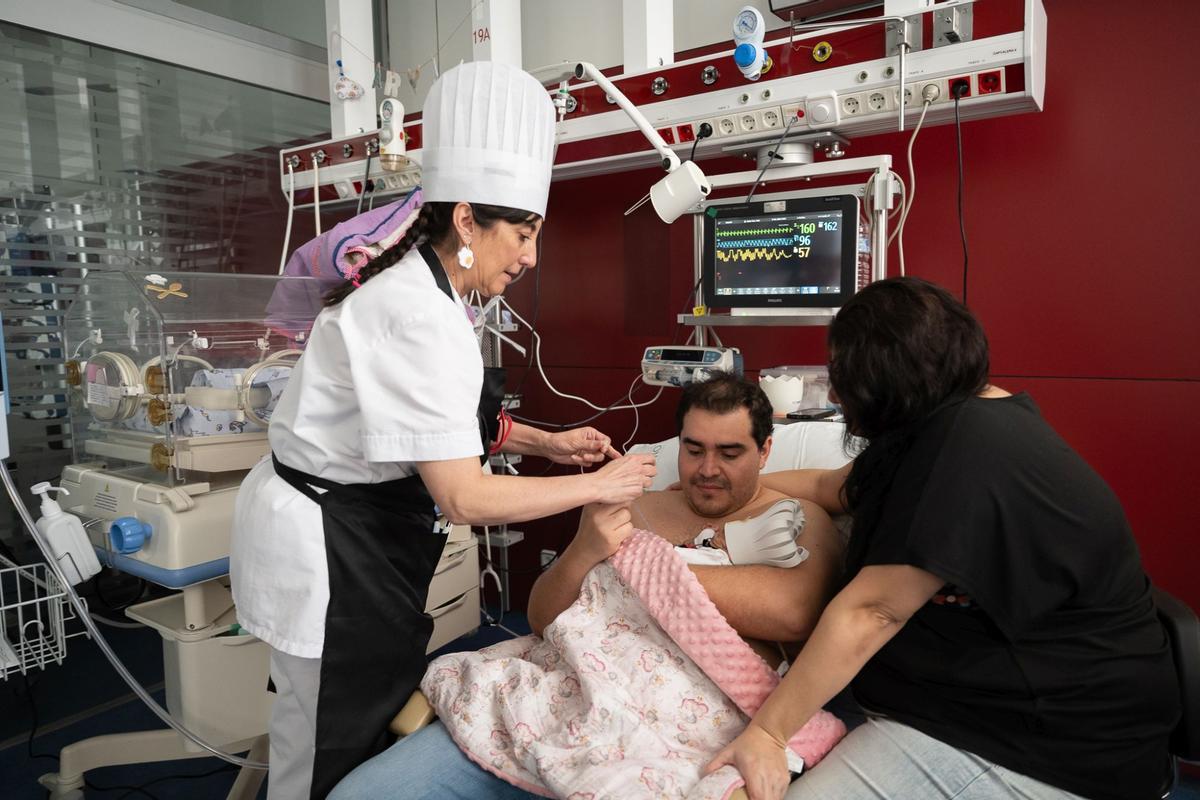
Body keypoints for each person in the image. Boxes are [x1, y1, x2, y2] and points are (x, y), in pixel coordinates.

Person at [230, 61, 656, 800]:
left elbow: (439, 426)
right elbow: (460, 495)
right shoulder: (416, 313)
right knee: (326, 744)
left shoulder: (436, 294)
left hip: (360, 535)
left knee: (354, 720)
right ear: (467, 220)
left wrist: (550, 445)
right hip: (331, 547)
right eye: (522, 233)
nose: (531, 256)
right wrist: (598, 484)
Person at [705, 277, 1181, 800]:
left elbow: (872, 612)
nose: (836, 391)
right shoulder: (949, 419)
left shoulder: (965, 450)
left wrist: (769, 735)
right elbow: (831, 486)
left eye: (841, 372)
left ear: (881, 381)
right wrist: (726, 485)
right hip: (971, 695)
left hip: (1046, 743)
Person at [329, 374, 845, 799]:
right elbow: (540, 618)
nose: (707, 470)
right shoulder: (631, 503)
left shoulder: (795, 519)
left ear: (766, 450)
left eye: (730, 453)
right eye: (693, 450)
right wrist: (585, 552)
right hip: (554, 701)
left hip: (676, 727)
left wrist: (657, 562)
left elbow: (792, 613)